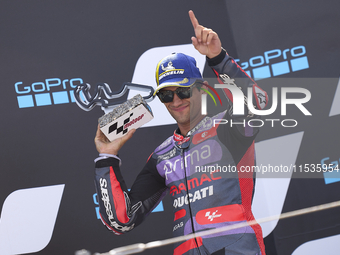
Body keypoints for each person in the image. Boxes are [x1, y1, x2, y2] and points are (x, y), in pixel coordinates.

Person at [94, 10, 268, 255]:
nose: (175, 100)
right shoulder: (161, 156)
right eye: (166, 94)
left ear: (202, 89)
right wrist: (107, 158)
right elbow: (121, 220)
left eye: (183, 91)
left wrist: (218, 58)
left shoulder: (229, 129)